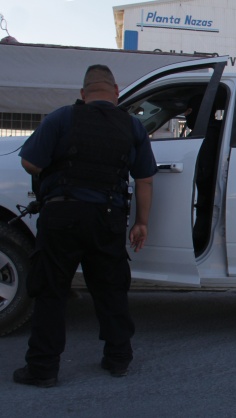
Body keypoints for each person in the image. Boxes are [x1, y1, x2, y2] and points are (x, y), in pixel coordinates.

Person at [13, 64, 157, 388]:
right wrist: (141, 223)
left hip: (61, 215)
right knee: (111, 290)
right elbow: (145, 179)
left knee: (51, 291)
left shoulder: (61, 117)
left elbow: (30, 162)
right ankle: (118, 359)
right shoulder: (132, 126)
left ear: (83, 93)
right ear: (116, 91)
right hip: (107, 218)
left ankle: (43, 369)